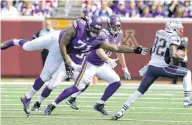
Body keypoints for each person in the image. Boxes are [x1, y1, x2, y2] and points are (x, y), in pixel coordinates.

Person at [1, 15, 147, 115]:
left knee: (45, 76)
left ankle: (27, 97)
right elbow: (64, 44)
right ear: (88, 26)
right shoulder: (79, 27)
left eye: (98, 30)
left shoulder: (99, 38)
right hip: (56, 41)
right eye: (94, 29)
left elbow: (115, 48)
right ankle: (12, 41)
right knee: (27, 46)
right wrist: (68, 62)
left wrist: (134, 50)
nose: (96, 33)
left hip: (61, 53)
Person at [112, 19, 192, 120]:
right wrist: (183, 58)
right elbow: (173, 54)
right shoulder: (174, 37)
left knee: (139, 91)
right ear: (174, 29)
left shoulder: (159, 32)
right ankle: (187, 100)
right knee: (187, 73)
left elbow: (153, 49)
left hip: (151, 67)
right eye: (179, 28)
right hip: (162, 67)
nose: (181, 30)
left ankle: (121, 111)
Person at [65, 15, 131, 114]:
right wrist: (108, 59)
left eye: (118, 26)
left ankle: (100, 104)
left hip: (102, 64)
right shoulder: (102, 34)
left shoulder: (119, 34)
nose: (116, 29)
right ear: (109, 25)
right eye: (114, 26)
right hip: (91, 62)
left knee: (116, 82)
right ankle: (57, 102)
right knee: (81, 85)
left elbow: (119, 50)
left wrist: (124, 67)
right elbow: (98, 50)